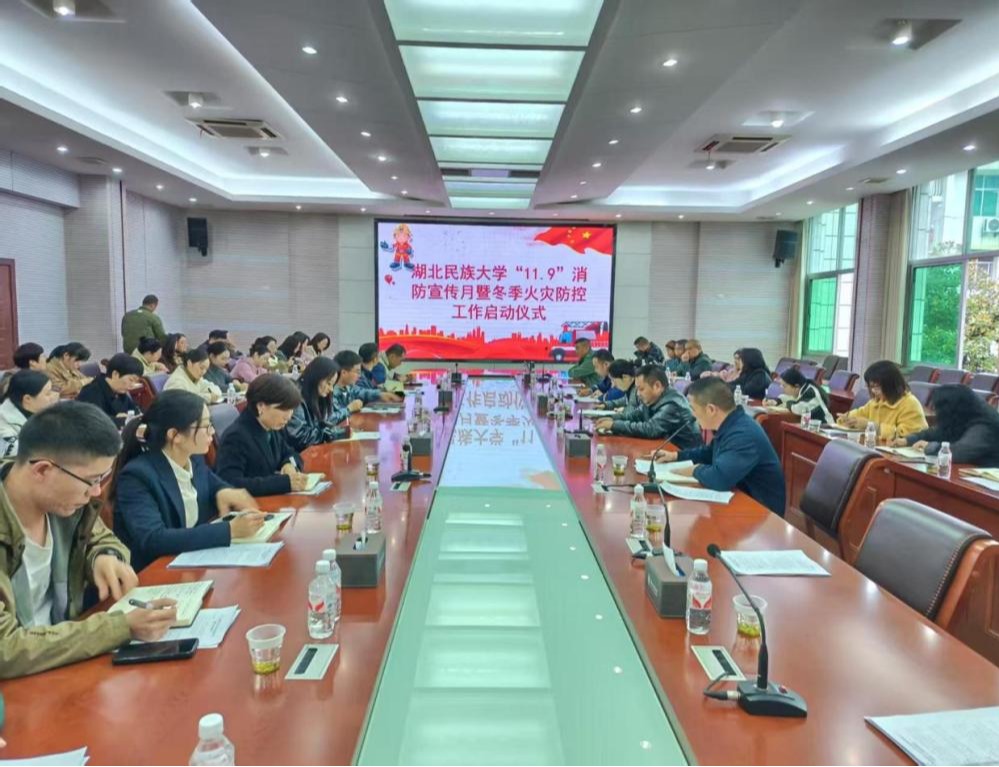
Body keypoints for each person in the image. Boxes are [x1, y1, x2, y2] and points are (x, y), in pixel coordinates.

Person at [0, 401, 178, 679]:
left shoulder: (63, 502)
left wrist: (104, 556)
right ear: (42, 470)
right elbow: (5, 648)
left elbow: (102, 538)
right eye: (92, 480)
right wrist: (119, 628)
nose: (96, 492)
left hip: (62, 663)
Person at [109, 391, 262, 572]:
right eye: (206, 426)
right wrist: (229, 530)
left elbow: (213, 484)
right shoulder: (137, 476)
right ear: (175, 435)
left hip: (191, 564)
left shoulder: (193, 459)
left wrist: (223, 491)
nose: (212, 431)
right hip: (157, 572)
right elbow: (153, 539)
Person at [654, 377, 786, 516]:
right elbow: (709, 453)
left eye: (693, 409)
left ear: (711, 409)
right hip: (738, 498)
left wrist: (694, 470)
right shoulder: (731, 423)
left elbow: (719, 478)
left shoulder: (743, 434)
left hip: (761, 512)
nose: (692, 414)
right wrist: (676, 456)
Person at [216, 375, 314, 496]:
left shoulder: (270, 427)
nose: (289, 417)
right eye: (284, 409)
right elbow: (230, 483)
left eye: (291, 409)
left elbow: (290, 453)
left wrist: (289, 464)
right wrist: (283, 483)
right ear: (261, 406)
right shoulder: (236, 437)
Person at [594, 366, 702, 448]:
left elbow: (650, 429)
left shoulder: (672, 403)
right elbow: (634, 416)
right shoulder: (653, 399)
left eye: (641, 389)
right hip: (664, 449)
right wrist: (611, 419)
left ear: (657, 386)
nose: (638, 394)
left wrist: (614, 425)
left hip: (684, 456)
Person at [898, 385, 999, 466]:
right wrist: (909, 440)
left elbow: (959, 452)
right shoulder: (962, 415)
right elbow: (938, 432)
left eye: (938, 409)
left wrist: (930, 447)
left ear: (950, 408)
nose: (936, 412)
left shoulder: (985, 424)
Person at [838, 360, 927, 441]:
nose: (873, 391)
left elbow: (907, 436)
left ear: (890, 384)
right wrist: (847, 418)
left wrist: (873, 426)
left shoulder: (909, 403)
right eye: (871, 387)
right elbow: (859, 414)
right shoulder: (875, 402)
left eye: (876, 387)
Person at [287, 357, 349, 450]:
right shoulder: (295, 397)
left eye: (333, 385)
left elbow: (322, 422)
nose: (331, 389)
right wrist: (329, 435)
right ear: (316, 377)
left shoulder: (317, 396)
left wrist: (331, 429)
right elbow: (298, 435)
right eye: (328, 383)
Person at [0, 371, 60, 458]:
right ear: (27, 399)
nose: (53, 397)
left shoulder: (42, 413)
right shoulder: (3, 423)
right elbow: (16, 454)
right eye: (47, 394)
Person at [75, 353, 143, 424]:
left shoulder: (120, 391)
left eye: (135, 382)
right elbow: (94, 421)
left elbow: (135, 412)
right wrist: (121, 420)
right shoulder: (91, 392)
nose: (132, 385)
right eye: (131, 380)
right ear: (115, 374)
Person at [333, 350, 401, 410]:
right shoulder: (331, 392)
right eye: (357, 372)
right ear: (344, 373)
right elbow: (332, 418)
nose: (359, 375)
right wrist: (349, 409)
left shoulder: (349, 387)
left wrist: (380, 394)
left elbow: (363, 392)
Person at [765, 367, 833, 424]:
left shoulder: (811, 392)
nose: (782, 388)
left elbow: (799, 408)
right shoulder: (803, 387)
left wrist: (785, 404)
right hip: (810, 426)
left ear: (796, 386)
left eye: (784, 386)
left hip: (825, 427)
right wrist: (776, 401)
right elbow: (789, 397)